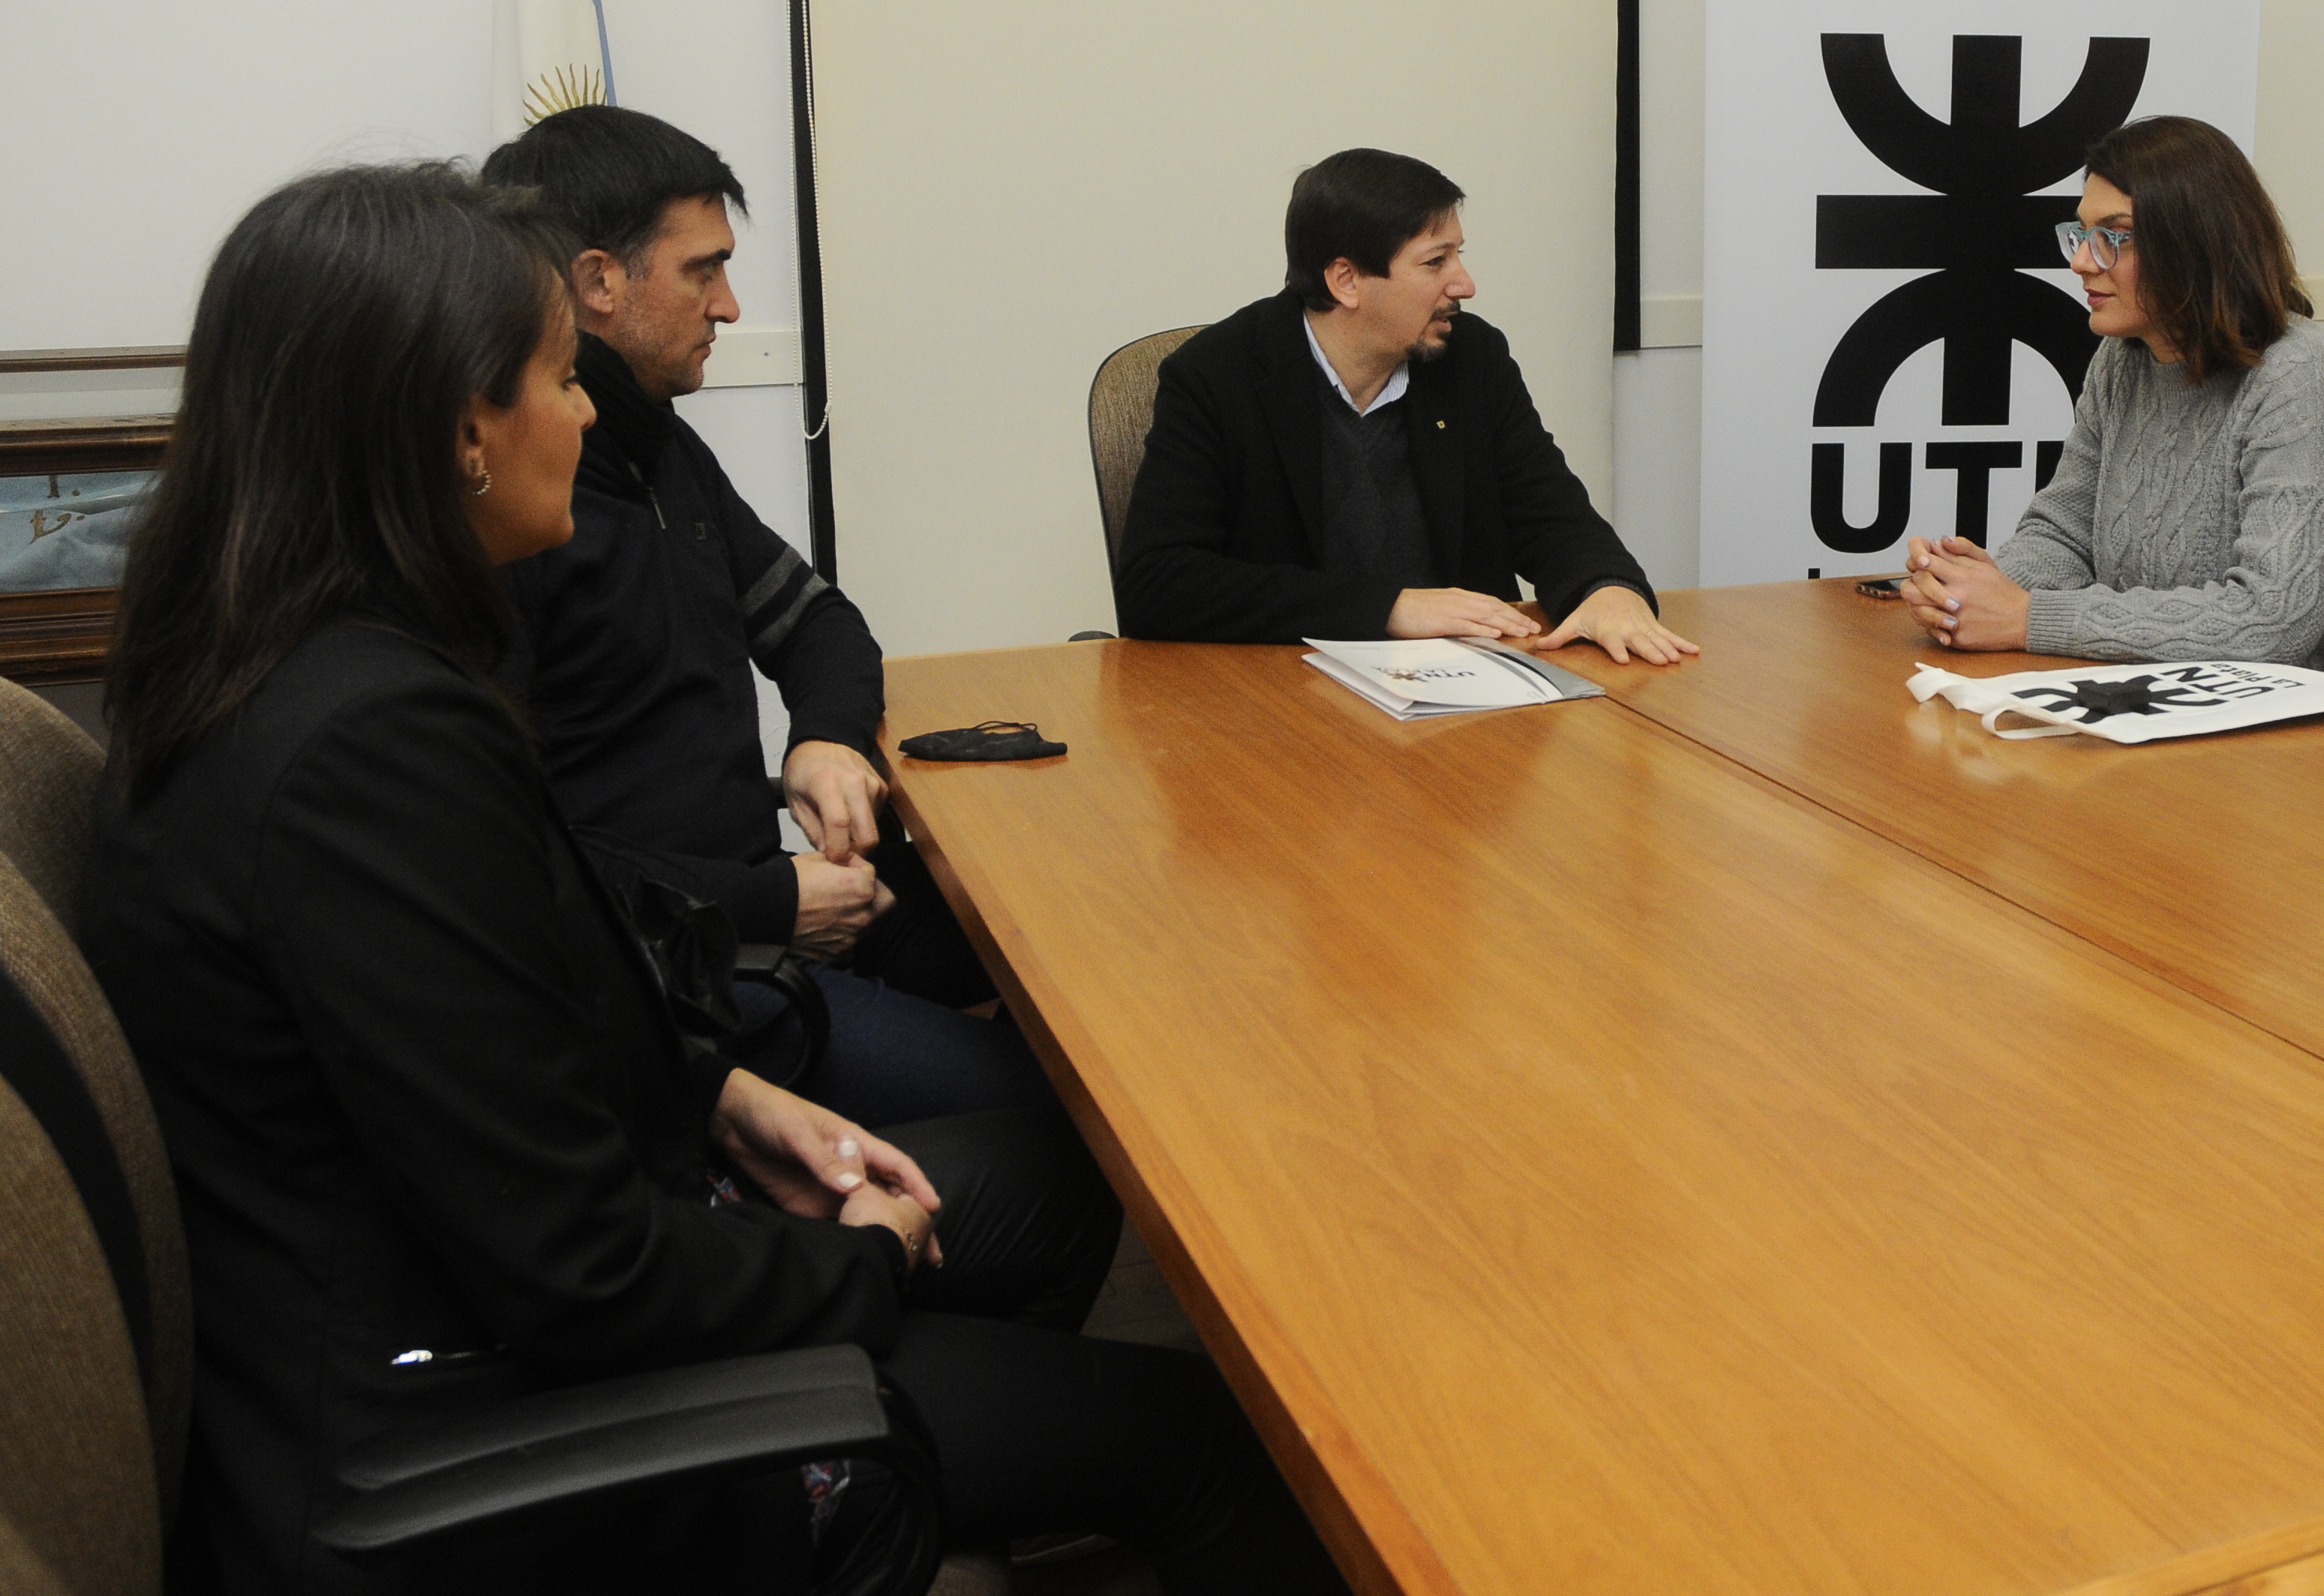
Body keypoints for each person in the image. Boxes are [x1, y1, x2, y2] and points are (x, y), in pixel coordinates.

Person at [85, 165, 1343, 1594]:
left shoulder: (300, 658)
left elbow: (485, 1043)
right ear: (459, 435)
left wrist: (721, 1097)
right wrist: (858, 1268)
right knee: (1224, 1442)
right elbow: (581, 1268)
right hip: (492, 1436)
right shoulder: (368, 752)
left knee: (1054, 1195)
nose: (582, 412)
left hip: (493, 1294)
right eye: (558, 378)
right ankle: (927, 1479)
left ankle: (961, 1482)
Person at [482, 106, 1045, 1123]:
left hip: (757, 898)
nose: (732, 308)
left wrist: (823, 742)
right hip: (672, 969)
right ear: (599, 281)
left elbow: (820, 622)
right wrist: (771, 905)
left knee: (1046, 922)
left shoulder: (664, 451)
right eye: (704, 271)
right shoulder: (517, 524)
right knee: (1059, 1108)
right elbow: (522, 865)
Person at [1899, 116, 2324, 696]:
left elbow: (2270, 620)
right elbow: (2065, 535)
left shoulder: (2300, 376)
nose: (2081, 262)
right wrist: (1968, 591)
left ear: (2193, 243)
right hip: (2186, 701)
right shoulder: (2123, 359)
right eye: (2080, 235)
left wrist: (2028, 617)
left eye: (2114, 237)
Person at [1117, 147, 1698, 659]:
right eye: (1435, 262)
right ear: (1346, 281)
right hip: (1284, 708)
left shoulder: (1473, 359)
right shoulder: (1217, 375)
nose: (1464, 284)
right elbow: (1158, 584)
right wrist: (1389, 608)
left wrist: (1607, 588)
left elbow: (1551, 514)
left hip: (1465, 701)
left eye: (1459, 256)